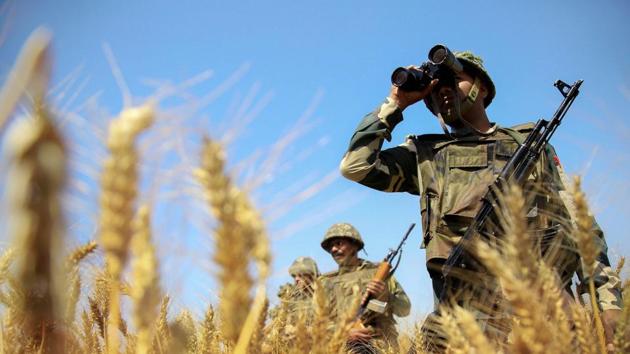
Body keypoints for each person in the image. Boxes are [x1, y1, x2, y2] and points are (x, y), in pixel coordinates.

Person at [338, 47, 622, 350]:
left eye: (453, 79)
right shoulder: (425, 157)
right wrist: (396, 102)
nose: (444, 90)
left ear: (482, 87)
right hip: (461, 327)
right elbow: (355, 166)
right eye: (436, 86)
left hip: (543, 316)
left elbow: (580, 226)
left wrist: (608, 304)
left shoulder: (529, 145)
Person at [319, 223, 410, 353]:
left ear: (354, 245)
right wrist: (343, 334)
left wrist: (386, 296)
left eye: (338, 243)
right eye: (330, 247)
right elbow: (315, 323)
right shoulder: (326, 282)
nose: (333, 249)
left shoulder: (378, 274)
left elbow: (405, 309)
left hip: (380, 347)